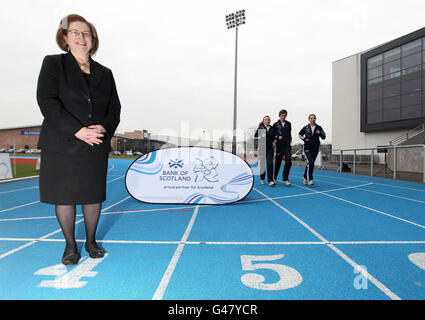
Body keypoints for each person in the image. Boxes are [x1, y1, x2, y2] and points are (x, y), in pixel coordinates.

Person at [36, 14, 121, 266]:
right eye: (75, 32)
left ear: (92, 39)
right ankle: (70, 246)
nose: (81, 37)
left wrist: (103, 128)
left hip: (94, 144)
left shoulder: (105, 73)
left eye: (86, 33)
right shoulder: (53, 64)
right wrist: (77, 130)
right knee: (64, 197)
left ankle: (91, 241)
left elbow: (114, 109)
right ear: (65, 38)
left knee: (92, 196)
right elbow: (47, 102)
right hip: (62, 145)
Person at [298, 114, 326, 185]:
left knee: (310, 163)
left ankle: (305, 177)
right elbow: (299, 134)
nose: (312, 119)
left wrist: (320, 133)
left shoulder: (319, 127)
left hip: (315, 148)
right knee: (311, 162)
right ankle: (309, 179)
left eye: (314, 118)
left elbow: (324, 136)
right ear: (309, 119)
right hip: (307, 147)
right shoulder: (306, 127)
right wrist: (304, 139)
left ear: (315, 119)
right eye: (311, 118)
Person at [272, 109, 292, 186]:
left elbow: (289, 133)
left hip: (287, 145)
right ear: (279, 115)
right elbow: (273, 134)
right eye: (282, 115)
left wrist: (289, 140)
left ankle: (285, 179)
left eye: (284, 115)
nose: (283, 116)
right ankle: (275, 178)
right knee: (278, 163)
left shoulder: (288, 124)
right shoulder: (275, 124)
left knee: (288, 162)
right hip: (279, 146)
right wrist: (276, 138)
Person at [254, 116, 275, 186]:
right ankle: (262, 178)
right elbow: (255, 137)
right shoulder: (260, 128)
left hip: (270, 149)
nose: (267, 121)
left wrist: (275, 139)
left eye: (268, 119)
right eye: (266, 119)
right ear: (263, 121)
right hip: (262, 148)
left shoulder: (272, 128)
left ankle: (270, 180)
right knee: (262, 165)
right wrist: (261, 136)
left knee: (270, 164)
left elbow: (275, 136)